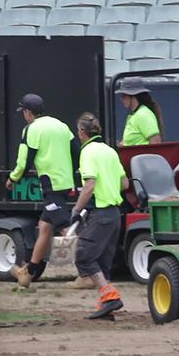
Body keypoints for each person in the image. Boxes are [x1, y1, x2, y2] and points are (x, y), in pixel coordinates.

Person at [6, 93, 79, 288]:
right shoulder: (62, 125)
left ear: (28, 112)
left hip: (50, 183)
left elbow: (24, 161)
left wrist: (14, 178)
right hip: (65, 181)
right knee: (45, 227)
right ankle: (28, 273)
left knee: (65, 228)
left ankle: (90, 270)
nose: (23, 115)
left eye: (23, 111)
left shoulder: (31, 129)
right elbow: (76, 152)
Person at [70, 112, 129, 320]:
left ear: (83, 133)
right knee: (103, 264)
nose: (78, 135)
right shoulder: (110, 151)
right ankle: (106, 308)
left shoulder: (87, 152)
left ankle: (111, 298)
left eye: (78, 131)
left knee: (84, 256)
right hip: (115, 214)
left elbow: (89, 185)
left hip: (101, 213)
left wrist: (76, 210)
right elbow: (125, 184)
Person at [115, 77, 164, 147]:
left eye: (124, 95)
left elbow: (155, 142)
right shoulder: (134, 115)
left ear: (133, 96)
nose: (122, 99)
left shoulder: (143, 114)